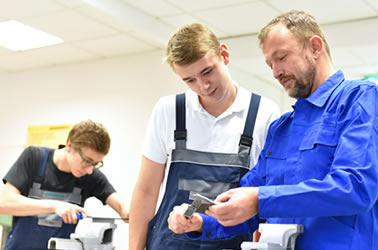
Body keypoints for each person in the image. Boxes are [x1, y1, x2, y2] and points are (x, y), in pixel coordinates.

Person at [167, 10, 378, 250]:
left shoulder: (360, 99)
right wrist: (202, 221)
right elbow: (248, 203)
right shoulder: (281, 129)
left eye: (281, 57)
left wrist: (259, 200)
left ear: (315, 47)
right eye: (270, 64)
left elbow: (356, 188)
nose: (275, 72)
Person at [129, 23, 280, 250]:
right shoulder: (169, 110)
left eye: (207, 71)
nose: (204, 85)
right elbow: (146, 191)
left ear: (224, 55)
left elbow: (265, 199)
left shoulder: (264, 113)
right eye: (190, 80)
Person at [0, 120, 129, 250]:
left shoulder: (90, 177)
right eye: (87, 161)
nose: (90, 170)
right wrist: (55, 206)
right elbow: (4, 203)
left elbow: (120, 205)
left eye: (96, 164)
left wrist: (129, 212)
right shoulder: (34, 157)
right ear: (69, 146)